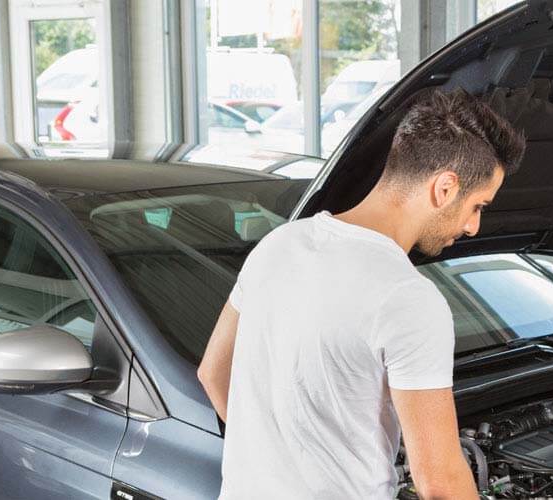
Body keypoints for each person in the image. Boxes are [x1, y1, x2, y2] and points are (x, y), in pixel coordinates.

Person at [196, 89, 526, 499]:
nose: (474, 226)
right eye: (478, 205)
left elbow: (212, 373)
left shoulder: (279, 244)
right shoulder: (408, 297)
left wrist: (277, 464)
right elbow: (439, 483)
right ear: (444, 188)